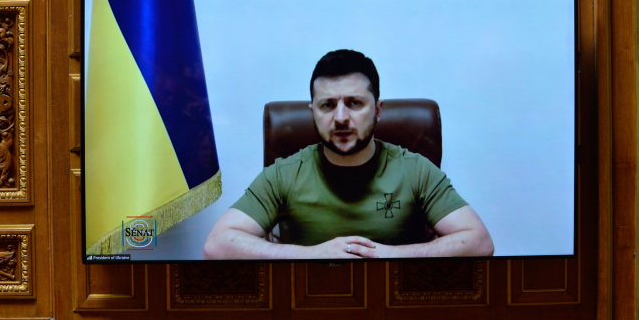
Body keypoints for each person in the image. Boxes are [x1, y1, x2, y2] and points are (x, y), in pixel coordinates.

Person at [203, 50, 494, 260]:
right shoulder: (284, 173)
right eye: (327, 105)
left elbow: (479, 242)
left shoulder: (414, 169)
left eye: (354, 103)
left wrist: (388, 255)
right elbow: (217, 245)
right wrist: (312, 255)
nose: (341, 118)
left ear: (378, 110)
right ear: (313, 112)